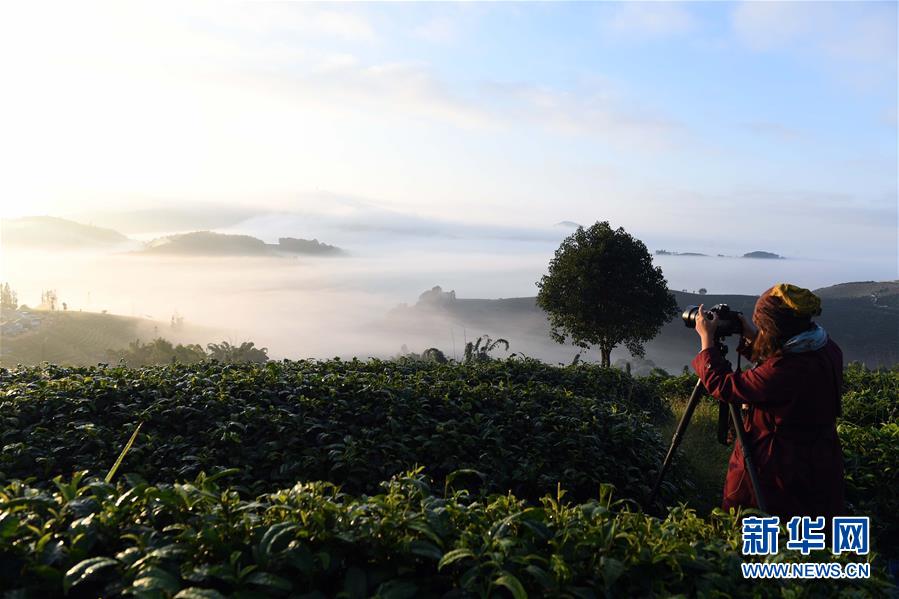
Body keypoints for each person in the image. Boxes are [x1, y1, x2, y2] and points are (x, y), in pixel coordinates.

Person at [691, 283, 845, 524]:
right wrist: (753, 336)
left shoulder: (786, 371)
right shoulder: (825, 347)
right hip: (820, 458)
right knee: (812, 523)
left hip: (779, 470)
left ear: (776, 329)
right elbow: (781, 362)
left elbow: (724, 385)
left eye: (764, 326)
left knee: (764, 522)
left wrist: (706, 341)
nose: (761, 329)